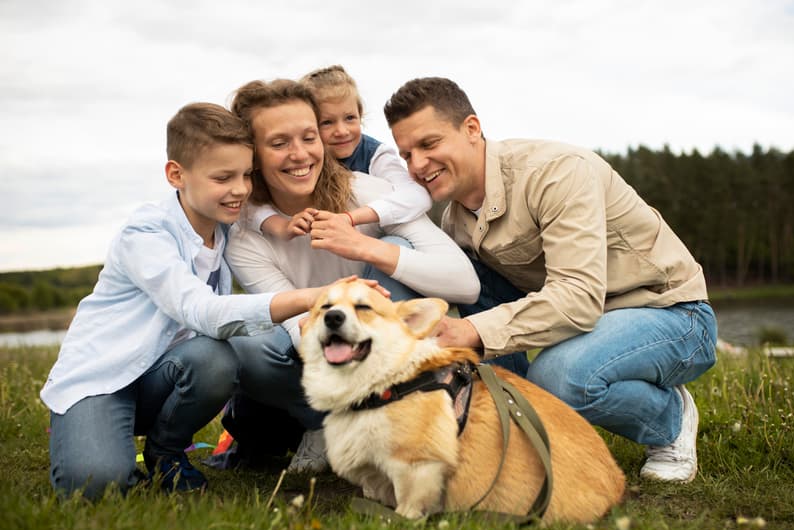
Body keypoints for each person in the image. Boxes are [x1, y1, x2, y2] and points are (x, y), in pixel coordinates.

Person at [40, 102, 384, 500]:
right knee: (95, 485)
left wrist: (282, 223)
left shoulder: (224, 223)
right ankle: (89, 432)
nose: (239, 189)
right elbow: (202, 311)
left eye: (245, 175)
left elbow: (255, 212)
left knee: (216, 357)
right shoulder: (146, 234)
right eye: (223, 177)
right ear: (176, 175)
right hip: (103, 379)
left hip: (168, 374)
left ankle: (165, 452)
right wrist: (312, 297)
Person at [383, 77, 718, 483]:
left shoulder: (557, 173)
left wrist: (468, 330)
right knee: (467, 278)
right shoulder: (454, 219)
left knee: (560, 379)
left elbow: (577, 297)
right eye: (406, 154)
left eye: (429, 144)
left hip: (671, 314)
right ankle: (520, 426)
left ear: (471, 129)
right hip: (591, 325)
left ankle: (669, 419)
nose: (417, 165)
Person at [224, 78, 480, 473]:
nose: (299, 155)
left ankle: (412, 412)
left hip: (391, 349)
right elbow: (296, 325)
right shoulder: (246, 237)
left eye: (309, 137)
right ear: (252, 155)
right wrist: (337, 304)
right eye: (279, 144)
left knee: (402, 248)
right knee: (250, 345)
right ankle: (326, 424)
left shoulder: (368, 193)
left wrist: (364, 247)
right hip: (319, 355)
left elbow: (465, 283)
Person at [253, 64, 432, 240]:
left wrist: (351, 217)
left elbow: (417, 196)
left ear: (360, 115)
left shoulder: (375, 154)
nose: (342, 131)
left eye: (350, 118)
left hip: (380, 237)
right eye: (327, 122)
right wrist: (278, 225)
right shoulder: (304, 163)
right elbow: (251, 202)